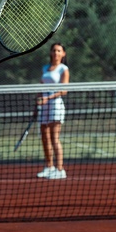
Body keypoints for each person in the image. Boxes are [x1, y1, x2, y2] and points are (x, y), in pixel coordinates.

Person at [36, 42, 69, 180]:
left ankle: (60, 169)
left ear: (63, 54)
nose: (56, 53)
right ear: (50, 53)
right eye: (54, 50)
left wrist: (47, 98)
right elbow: (40, 88)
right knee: (45, 137)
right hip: (43, 106)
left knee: (54, 138)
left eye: (59, 51)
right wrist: (37, 103)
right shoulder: (45, 68)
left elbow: (64, 90)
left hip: (55, 105)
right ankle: (49, 167)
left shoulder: (63, 69)